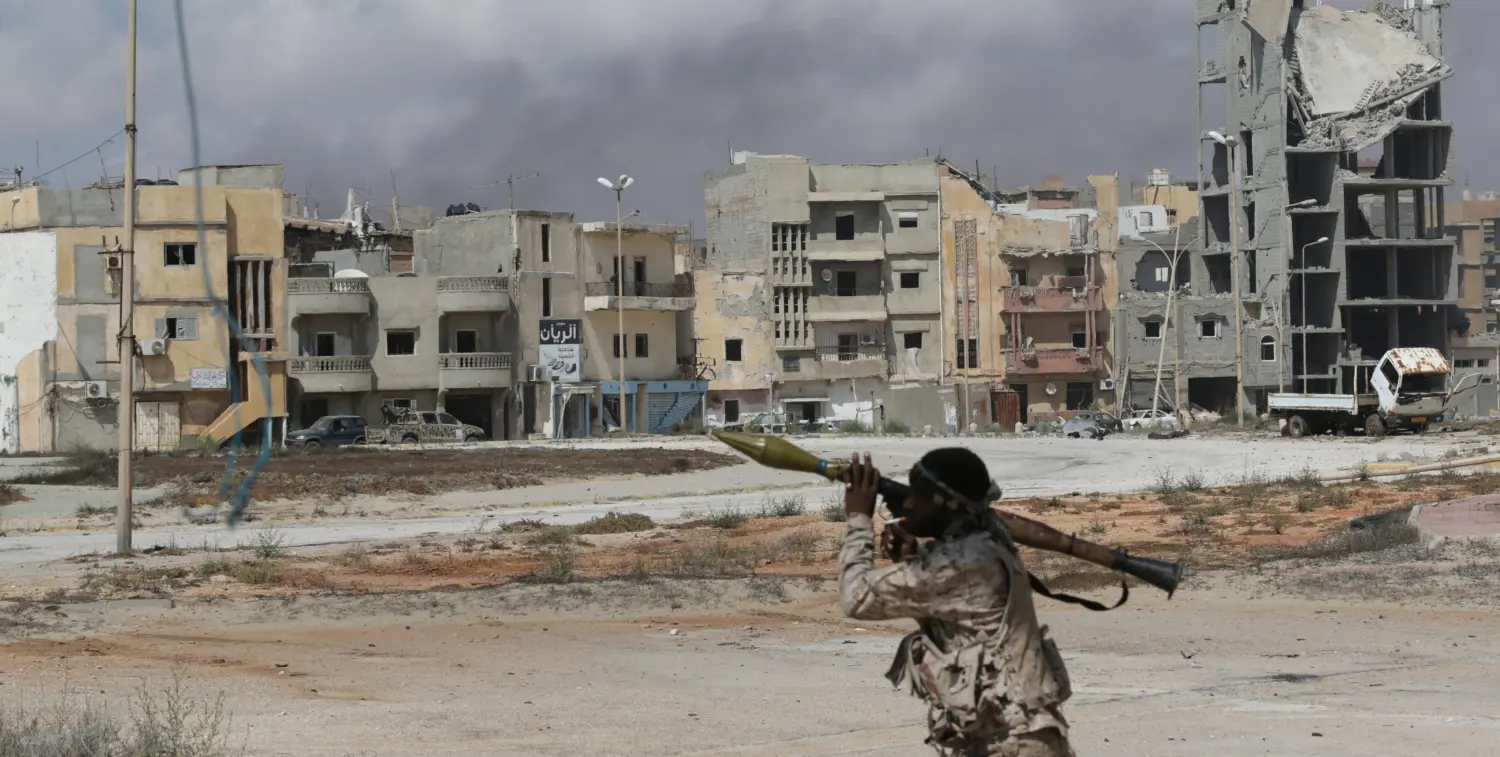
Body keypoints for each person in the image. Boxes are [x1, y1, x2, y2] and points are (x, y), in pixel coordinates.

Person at [838, 448, 1074, 757]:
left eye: (917, 497)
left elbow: (856, 597)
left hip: (1011, 742)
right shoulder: (984, 545)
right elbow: (959, 614)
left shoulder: (962, 562)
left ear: (943, 505)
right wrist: (911, 560)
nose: (908, 504)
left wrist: (858, 519)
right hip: (1013, 737)